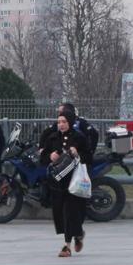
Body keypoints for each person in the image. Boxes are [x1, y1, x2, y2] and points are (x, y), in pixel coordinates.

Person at [40, 110, 92, 257]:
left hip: (74, 181)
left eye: (64, 122)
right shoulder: (52, 138)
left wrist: (78, 154)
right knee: (61, 213)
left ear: (70, 122)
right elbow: (42, 158)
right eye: (59, 122)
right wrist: (50, 156)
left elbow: (89, 157)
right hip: (57, 182)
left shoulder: (79, 138)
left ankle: (66, 246)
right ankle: (79, 234)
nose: (61, 125)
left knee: (71, 211)